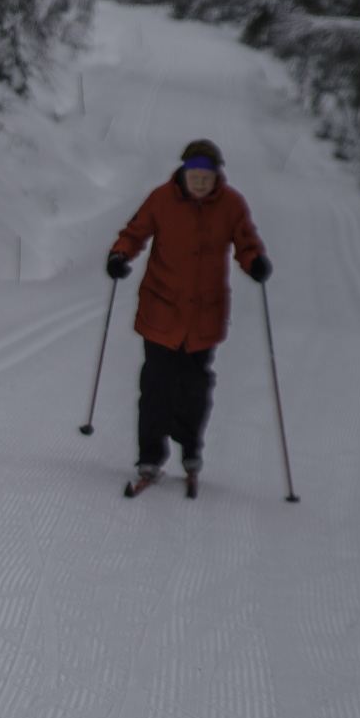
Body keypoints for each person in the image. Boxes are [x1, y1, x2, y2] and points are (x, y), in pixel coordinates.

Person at [106, 139, 272, 496]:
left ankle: (190, 451)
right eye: (194, 175)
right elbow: (134, 232)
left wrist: (254, 261)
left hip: (204, 317)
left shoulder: (231, 205)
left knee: (194, 390)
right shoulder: (161, 199)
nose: (199, 182)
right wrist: (120, 255)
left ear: (217, 176)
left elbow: (246, 242)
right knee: (155, 388)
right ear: (184, 172)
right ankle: (150, 458)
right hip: (161, 310)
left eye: (206, 176)